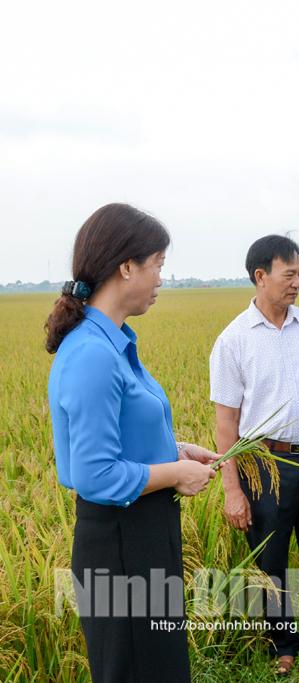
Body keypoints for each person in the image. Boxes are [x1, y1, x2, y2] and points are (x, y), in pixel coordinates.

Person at [45, 203, 218, 683]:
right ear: (126, 267)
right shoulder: (93, 353)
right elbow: (95, 475)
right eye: (157, 264)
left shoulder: (113, 343)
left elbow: (121, 438)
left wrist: (175, 451)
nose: (161, 278)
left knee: (158, 665)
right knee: (139, 668)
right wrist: (177, 473)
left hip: (142, 532)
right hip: (122, 543)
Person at [210, 235, 299, 676]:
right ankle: (281, 644)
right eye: (289, 275)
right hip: (265, 467)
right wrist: (232, 489)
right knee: (269, 558)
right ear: (260, 276)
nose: (297, 283)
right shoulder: (234, 340)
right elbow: (226, 423)